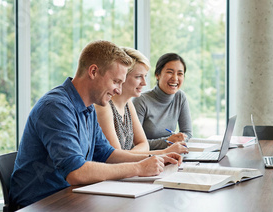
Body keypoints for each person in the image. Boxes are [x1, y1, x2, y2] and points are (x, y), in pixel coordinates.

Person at [10, 40, 182, 208]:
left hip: (70, 197)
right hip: (40, 204)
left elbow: (108, 154)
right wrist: (138, 168)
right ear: (93, 71)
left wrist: (157, 157)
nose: (119, 90)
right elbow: (76, 172)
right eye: (115, 81)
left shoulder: (89, 107)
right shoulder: (55, 107)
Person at [95, 47, 188, 155]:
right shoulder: (104, 108)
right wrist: (165, 152)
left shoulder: (128, 104)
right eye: (138, 77)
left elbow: (144, 144)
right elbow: (117, 158)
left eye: (145, 76)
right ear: (122, 76)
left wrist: (131, 154)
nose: (144, 83)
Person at [133, 53, 192, 150]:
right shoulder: (141, 100)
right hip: (147, 158)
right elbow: (134, 144)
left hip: (170, 155)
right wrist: (167, 142)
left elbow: (187, 133)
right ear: (157, 75)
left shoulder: (180, 97)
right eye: (170, 72)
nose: (175, 78)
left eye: (180, 73)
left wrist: (180, 139)